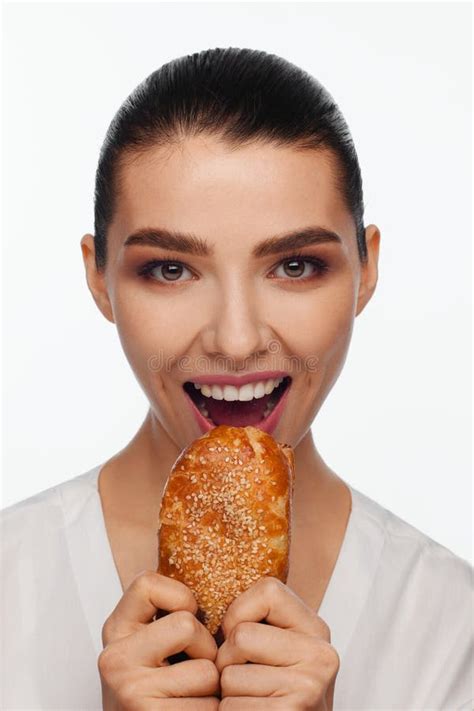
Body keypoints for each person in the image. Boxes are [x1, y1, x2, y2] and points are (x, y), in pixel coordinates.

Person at [1, 47, 472, 711]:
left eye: (296, 265)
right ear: (98, 276)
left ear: (365, 269)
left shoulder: (452, 623)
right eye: (170, 269)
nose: (237, 339)